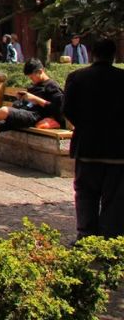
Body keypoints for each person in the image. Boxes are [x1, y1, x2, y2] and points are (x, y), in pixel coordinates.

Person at [64, 39, 124, 239]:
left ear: (91, 54)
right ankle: (110, 238)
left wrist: (85, 126)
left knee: (86, 194)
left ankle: (86, 235)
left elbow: (68, 109)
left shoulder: (76, 77)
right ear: (113, 55)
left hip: (87, 146)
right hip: (118, 149)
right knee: (115, 198)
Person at [0, 58, 64, 169]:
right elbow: (27, 102)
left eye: (32, 77)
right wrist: (22, 98)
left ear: (40, 71)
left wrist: (35, 99)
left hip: (34, 116)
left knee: (4, 110)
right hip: (24, 112)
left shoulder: (52, 86)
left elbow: (58, 108)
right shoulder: (35, 86)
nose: (31, 80)